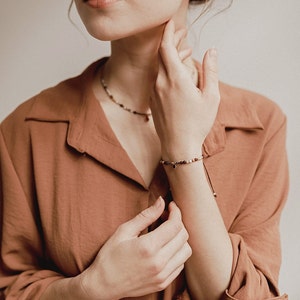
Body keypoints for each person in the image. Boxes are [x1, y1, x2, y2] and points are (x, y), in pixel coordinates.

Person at [0, 0, 289, 299]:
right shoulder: (26, 132)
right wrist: (90, 289)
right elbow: (9, 286)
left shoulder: (259, 128)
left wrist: (183, 151)